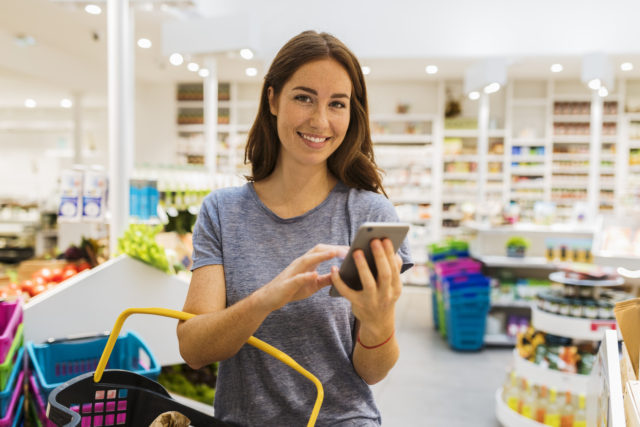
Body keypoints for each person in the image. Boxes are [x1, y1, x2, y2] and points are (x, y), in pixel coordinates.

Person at [177, 30, 413, 426]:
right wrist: (268, 297)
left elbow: (373, 372)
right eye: (304, 97)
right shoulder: (222, 212)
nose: (320, 121)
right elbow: (193, 348)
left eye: (336, 104)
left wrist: (378, 318)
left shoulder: (370, 214)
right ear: (272, 99)